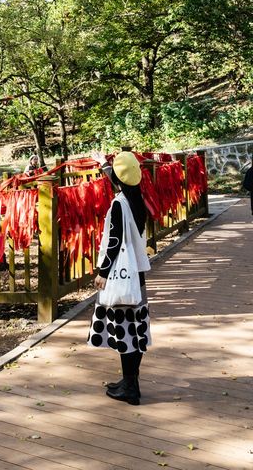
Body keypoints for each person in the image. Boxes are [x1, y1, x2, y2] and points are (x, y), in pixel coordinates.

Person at [88, 149, 151, 406]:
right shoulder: (137, 199)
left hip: (122, 276)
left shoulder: (118, 204)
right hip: (138, 274)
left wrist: (102, 272)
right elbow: (121, 181)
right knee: (136, 329)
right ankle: (130, 380)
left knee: (125, 330)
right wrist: (104, 164)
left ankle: (130, 387)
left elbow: (113, 241)